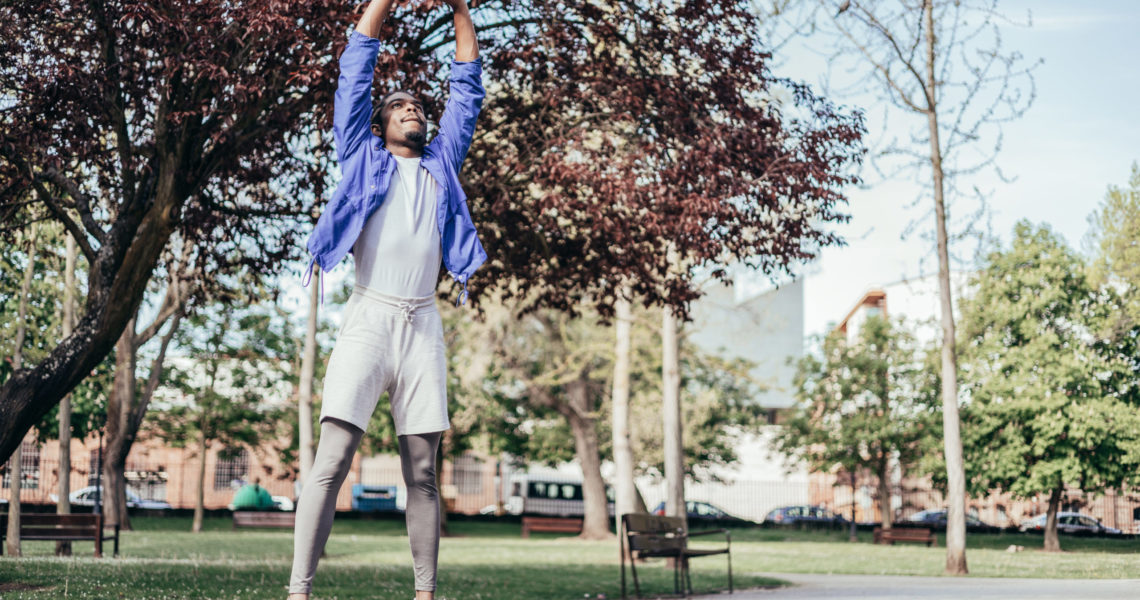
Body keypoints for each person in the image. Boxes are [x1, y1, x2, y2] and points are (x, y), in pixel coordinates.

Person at [290, 0, 486, 598]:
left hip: (423, 324)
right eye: (401, 106)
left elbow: (468, 86)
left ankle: (425, 592)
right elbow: (356, 70)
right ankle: (299, 589)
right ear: (381, 123)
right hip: (370, 316)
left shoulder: (440, 165)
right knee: (331, 463)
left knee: (423, 473)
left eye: (419, 107)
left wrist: (458, 8)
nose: (413, 111)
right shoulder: (362, 158)